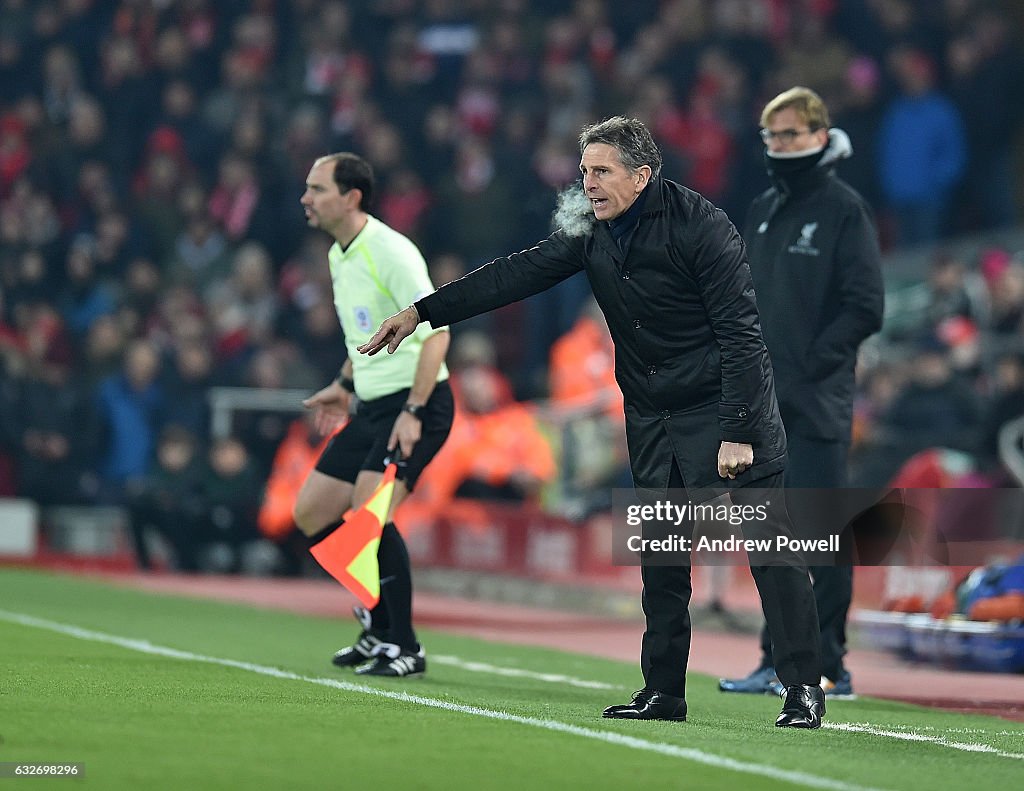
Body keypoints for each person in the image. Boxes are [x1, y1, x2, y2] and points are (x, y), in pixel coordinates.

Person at [359, 117, 825, 727]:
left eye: (600, 172)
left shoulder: (704, 228)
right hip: (654, 413)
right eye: (584, 172)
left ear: (641, 175)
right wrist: (421, 312)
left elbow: (743, 336)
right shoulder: (591, 231)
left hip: (725, 409)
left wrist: (738, 429)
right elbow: (510, 276)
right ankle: (663, 692)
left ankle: (803, 689)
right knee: (661, 560)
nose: (588, 183)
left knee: (770, 550)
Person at [719, 87, 884, 699]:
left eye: (790, 135)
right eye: (771, 137)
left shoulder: (845, 210)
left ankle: (829, 663)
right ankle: (778, 659)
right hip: (761, 403)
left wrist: (812, 364)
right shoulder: (763, 207)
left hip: (815, 402)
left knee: (818, 534)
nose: (779, 147)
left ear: (820, 136)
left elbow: (866, 307)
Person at [293, 152, 453, 678]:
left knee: (368, 518)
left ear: (351, 197)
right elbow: (366, 333)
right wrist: (344, 384)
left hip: (416, 402)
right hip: (372, 404)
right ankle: (377, 629)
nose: (306, 199)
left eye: (317, 189)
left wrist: (413, 409)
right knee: (312, 512)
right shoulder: (341, 253)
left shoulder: (390, 251)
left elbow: (439, 332)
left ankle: (404, 645)